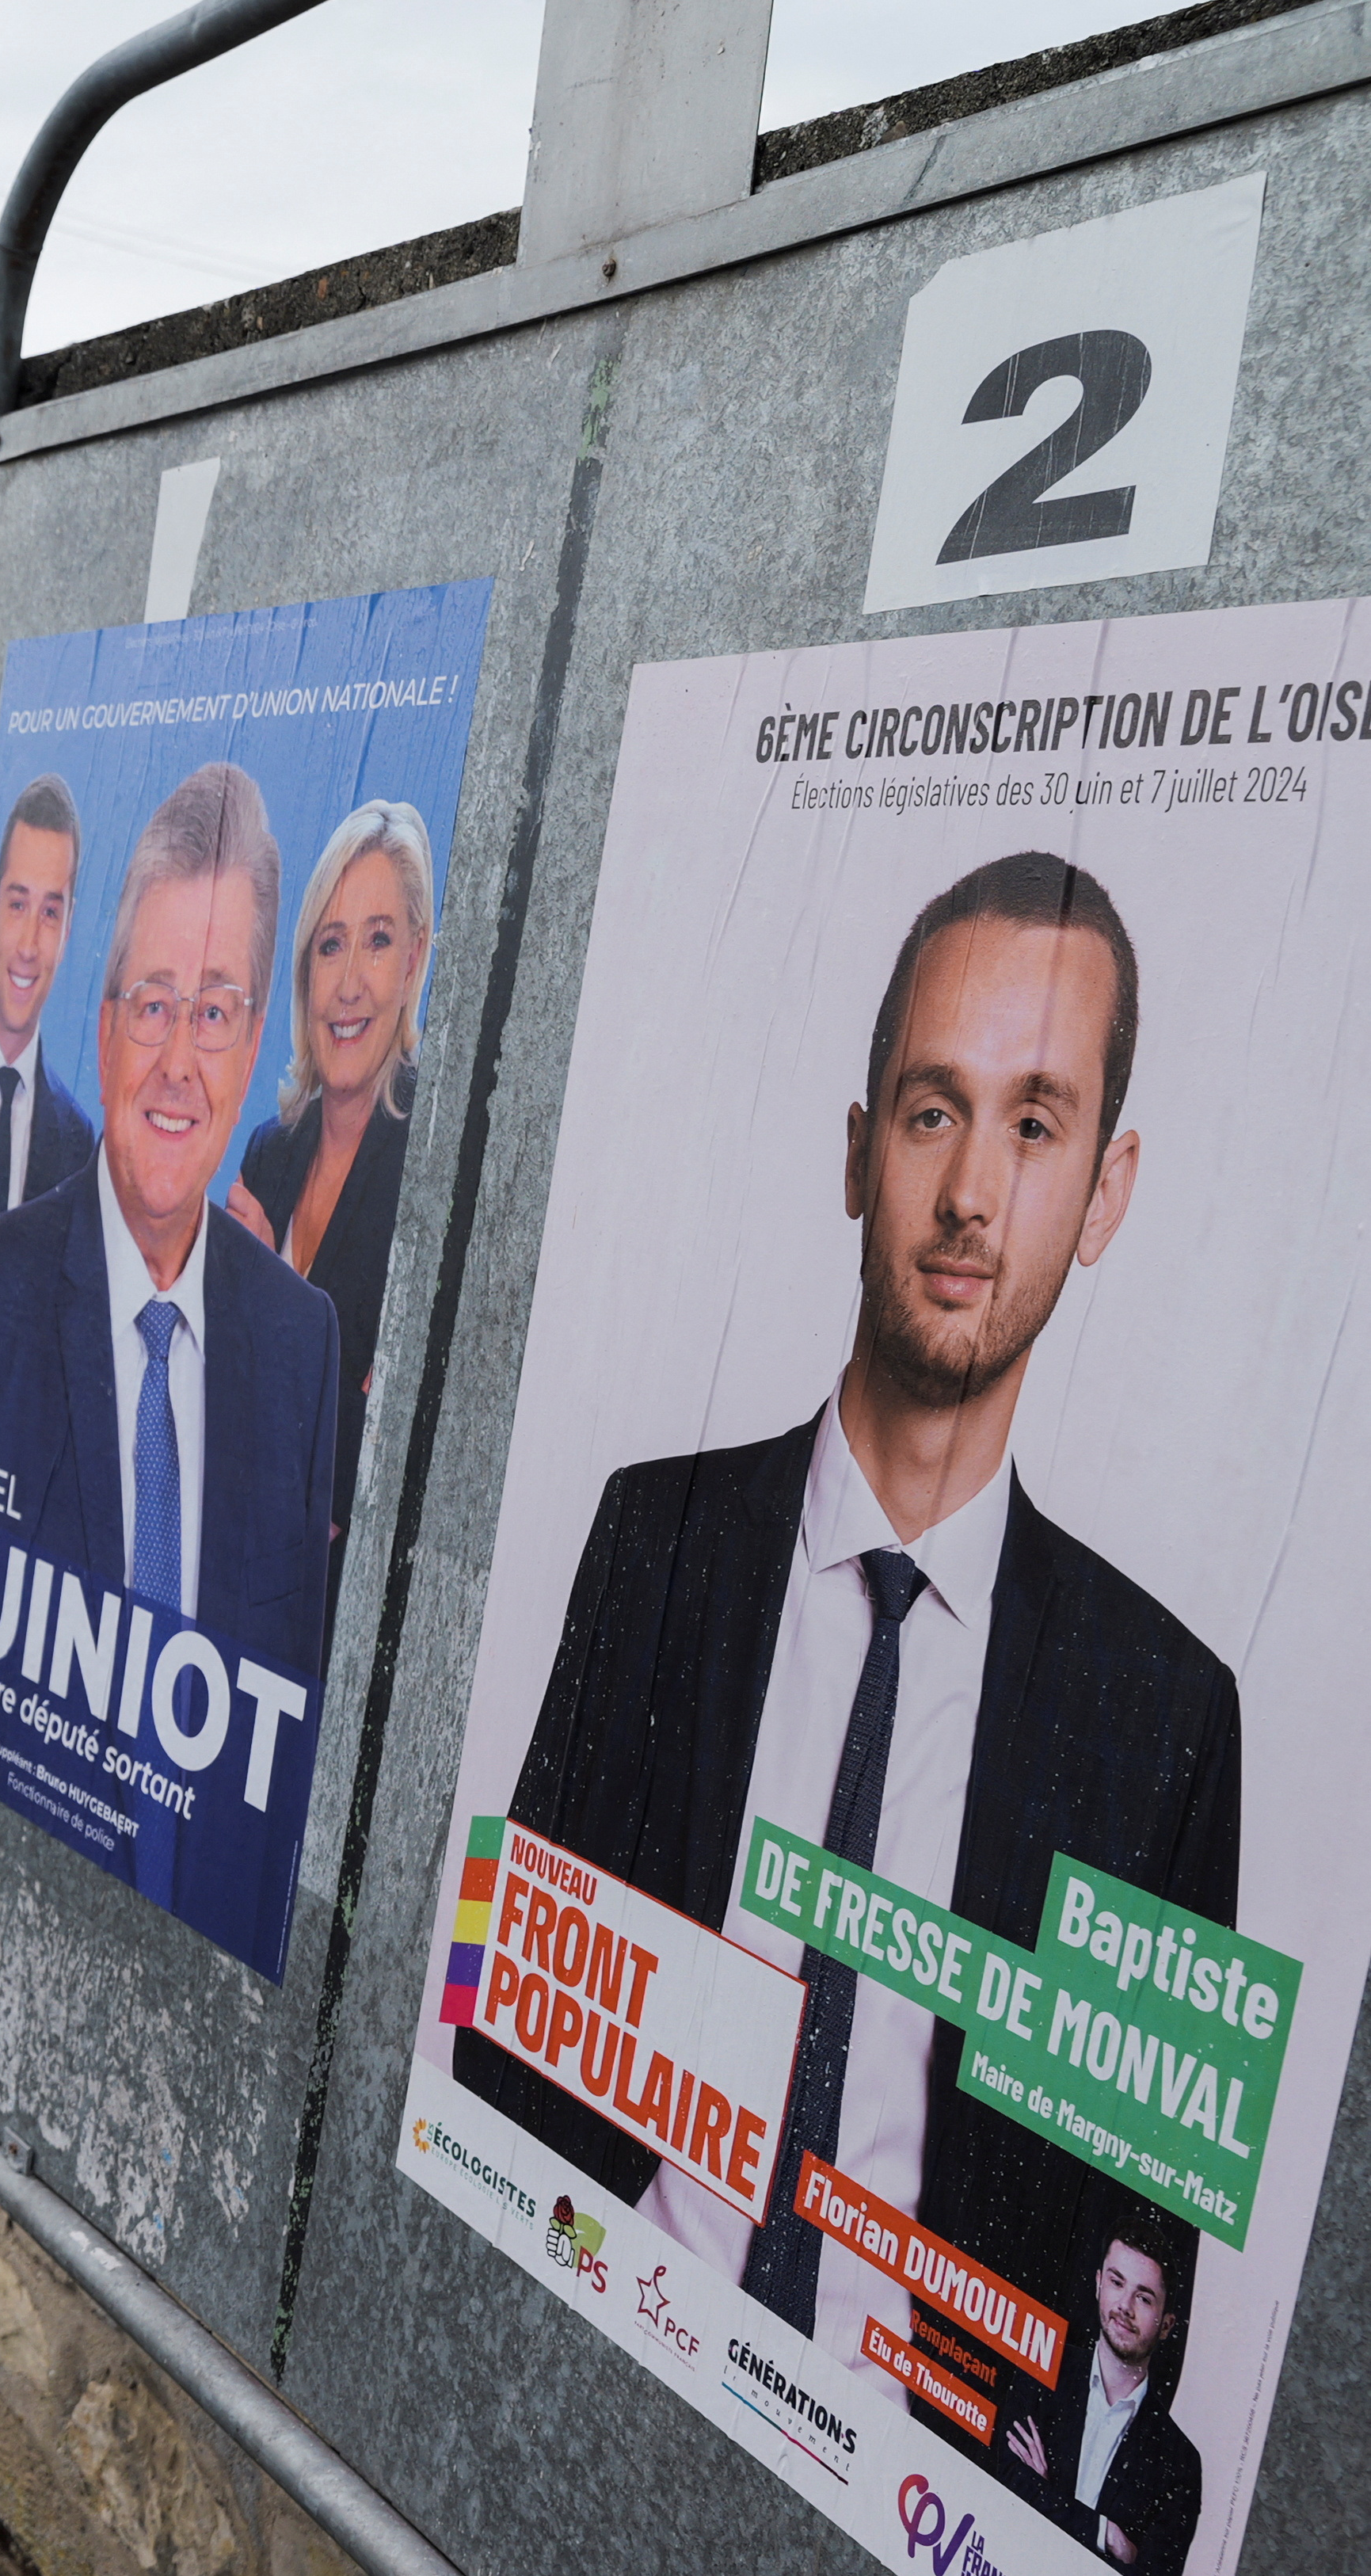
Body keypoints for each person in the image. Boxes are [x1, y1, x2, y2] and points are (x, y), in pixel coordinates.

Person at [456, 852, 1241, 2423]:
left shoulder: (1164, 1714)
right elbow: (513, 2018)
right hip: (607, 2349)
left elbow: (1132, 2257)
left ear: (1106, 1191)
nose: (966, 1196)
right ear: (853, 1146)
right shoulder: (650, 1542)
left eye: (1034, 1123)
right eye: (929, 1109)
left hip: (909, 2474)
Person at [0, 762, 344, 1916]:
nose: (178, 1063)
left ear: (254, 1043)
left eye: (213, 1013)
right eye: (153, 1003)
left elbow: (284, 1726)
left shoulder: (302, 1348)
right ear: (102, 1028)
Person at [227, 802, 436, 1604]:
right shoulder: (268, 1155)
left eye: (378, 941)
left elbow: (389, 1460)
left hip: (341, 1610)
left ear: (414, 961)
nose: (349, 984)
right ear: (304, 970)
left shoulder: (428, 1167)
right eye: (330, 944)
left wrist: (266, 1307)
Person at [1003, 2201, 1205, 2576]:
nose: (1125, 2308)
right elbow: (1005, 2486)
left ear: (1166, 2324)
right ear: (1098, 2284)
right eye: (1116, 2282)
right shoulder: (1041, 2368)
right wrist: (1104, 2534)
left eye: (1144, 2298)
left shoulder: (1180, 2463)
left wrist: (1049, 2495)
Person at [0, 776, 99, 1256]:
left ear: (68, 932)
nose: (28, 946)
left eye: (50, 913)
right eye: (17, 904)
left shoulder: (76, 1138)